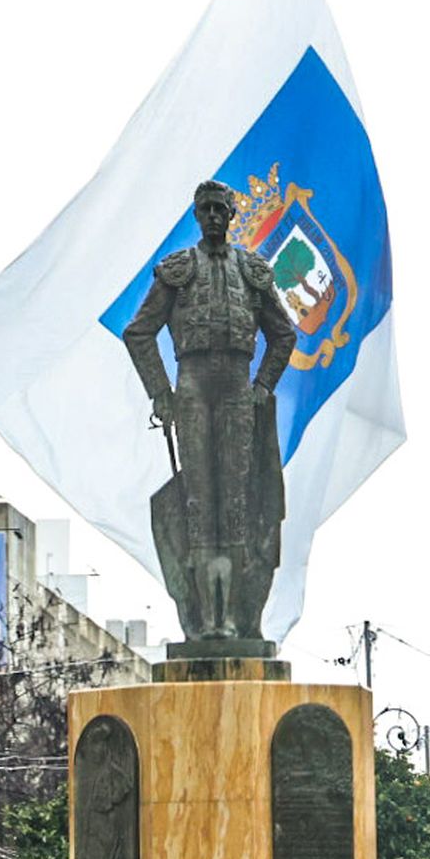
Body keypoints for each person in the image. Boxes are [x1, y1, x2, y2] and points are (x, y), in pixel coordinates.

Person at [122, 179, 296, 640]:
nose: (215, 216)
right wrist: (161, 393)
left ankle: (236, 618)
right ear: (197, 216)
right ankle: (204, 620)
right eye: (207, 210)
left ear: (232, 215)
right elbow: (138, 332)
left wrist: (263, 385)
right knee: (199, 503)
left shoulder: (252, 272)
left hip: (239, 388)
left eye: (222, 209)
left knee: (237, 503)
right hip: (193, 387)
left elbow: (285, 335)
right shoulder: (177, 271)